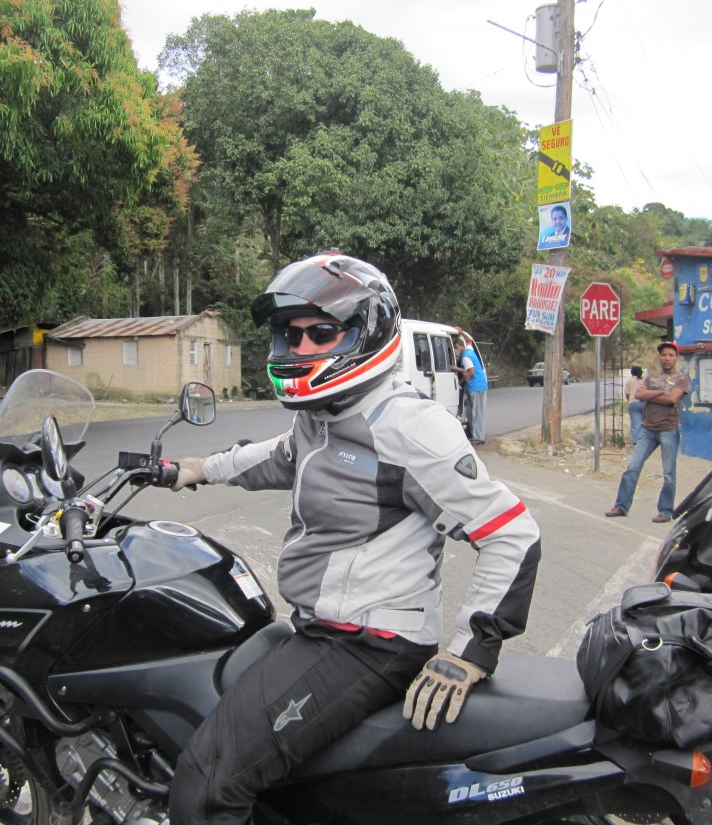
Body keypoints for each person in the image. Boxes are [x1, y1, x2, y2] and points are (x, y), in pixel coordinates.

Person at [167, 253, 541, 825]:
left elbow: (511, 533)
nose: (300, 349)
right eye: (291, 335)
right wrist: (195, 468)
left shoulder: (408, 426)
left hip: (370, 643)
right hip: (322, 627)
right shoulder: (323, 415)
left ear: (367, 332)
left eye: (321, 333)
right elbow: (277, 457)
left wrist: (468, 653)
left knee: (206, 786)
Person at [605, 341, 690, 523]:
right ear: (660, 357)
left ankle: (665, 511)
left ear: (676, 357)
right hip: (648, 430)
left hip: (669, 429)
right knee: (632, 467)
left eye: (670, 355)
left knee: (668, 473)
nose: (666, 358)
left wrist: (654, 394)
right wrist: (662, 394)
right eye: (664, 355)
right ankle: (621, 505)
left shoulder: (681, 378)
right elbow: (639, 395)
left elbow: (673, 398)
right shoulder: (651, 376)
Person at [452, 331, 488, 445]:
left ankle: (479, 437)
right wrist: (461, 331)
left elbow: (471, 372)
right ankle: (475, 434)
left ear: (459, 346)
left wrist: (460, 381)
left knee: (477, 413)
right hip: (476, 386)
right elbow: (469, 340)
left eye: (455, 349)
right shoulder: (469, 350)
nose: (455, 352)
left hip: (477, 386)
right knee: (469, 413)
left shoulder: (466, 357)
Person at [624, 365, 645, 445]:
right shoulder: (644, 381)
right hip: (644, 403)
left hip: (633, 403)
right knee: (644, 422)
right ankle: (644, 440)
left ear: (632, 372)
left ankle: (636, 441)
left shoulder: (629, 381)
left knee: (635, 423)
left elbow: (627, 394)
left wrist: (629, 400)